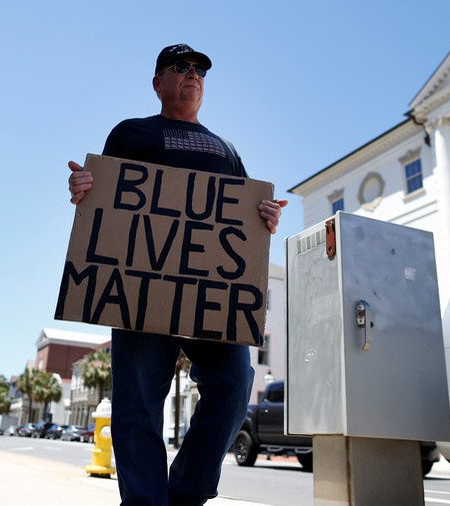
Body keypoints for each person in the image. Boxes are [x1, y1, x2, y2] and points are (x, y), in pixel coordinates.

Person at [68, 43, 286, 505]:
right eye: (181, 67)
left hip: (213, 293)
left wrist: (262, 216)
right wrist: (86, 187)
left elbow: (244, 214)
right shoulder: (130, 132)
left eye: (200, 71)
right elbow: (105, 195)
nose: (193, 76)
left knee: (232, 386)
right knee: (139, 406)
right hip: (141, 289)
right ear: (158, 83)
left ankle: (184, 495)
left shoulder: (225, 148)